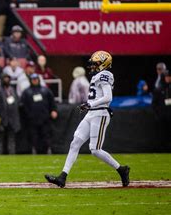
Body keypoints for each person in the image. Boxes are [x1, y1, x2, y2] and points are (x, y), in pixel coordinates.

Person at [45, 51, 130, 188]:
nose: (92, 66)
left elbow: (108, 97)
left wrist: (90, 104)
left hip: (100, 113)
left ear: (103, 64)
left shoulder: (105, 75)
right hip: (91, 113)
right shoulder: (96, 76)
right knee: (75, 142)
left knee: (95, 149)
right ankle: (63, 176)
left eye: (95, 63)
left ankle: (121, 169)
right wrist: (89, 105)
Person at [21, 73, 57, 154]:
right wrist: (28, 114)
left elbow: (52, 102)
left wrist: (53, 110)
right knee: (33, 135)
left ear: (39, 80)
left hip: (45, 117)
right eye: (33, 79)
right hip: (32, 118)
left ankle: (48, 149)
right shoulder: (26, 92)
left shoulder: (45, 90)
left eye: (36, 79)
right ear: (30, 81)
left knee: (46, 134)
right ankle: (34, 150)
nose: (35, 81)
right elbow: (23, 105)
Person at [0, 74, 21, 154]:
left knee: (11, 137)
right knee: (0, 137)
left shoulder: (12, 89)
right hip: (1, 117)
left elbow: (17, 101)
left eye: (8, 78)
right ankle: (0, 154)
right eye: (5, 78)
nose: (6, 80)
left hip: (12, 118)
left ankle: (12, 154)